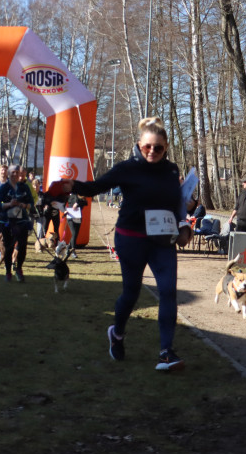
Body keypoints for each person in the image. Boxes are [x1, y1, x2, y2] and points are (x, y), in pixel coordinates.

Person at [56, 117, 192, 371]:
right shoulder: (127, 168)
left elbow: (178, 203)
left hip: (162, 240)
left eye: (158, 148)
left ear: (166, 148)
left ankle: (166, 352)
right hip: (131, 239)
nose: (152, 152)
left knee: (169, 292)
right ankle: (117, 333)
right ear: (139, 145)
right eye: (147, 147)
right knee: (131, 293)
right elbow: (96, 187)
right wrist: (72, 185)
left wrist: (184, 225)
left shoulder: (172, 171)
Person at [0, 164, 35, 282]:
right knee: (8, 247)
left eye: (17, 172)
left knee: (22, 247)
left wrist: (24, 205)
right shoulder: (4, 187)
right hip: (7, 221)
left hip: (22, 221)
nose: (15, 174)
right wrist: (9, 204)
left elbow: (31, 203)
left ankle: (19, 269)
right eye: (13, 172)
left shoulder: (24, 187)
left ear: (20, 174)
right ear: (8, 174)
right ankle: (8, 271)